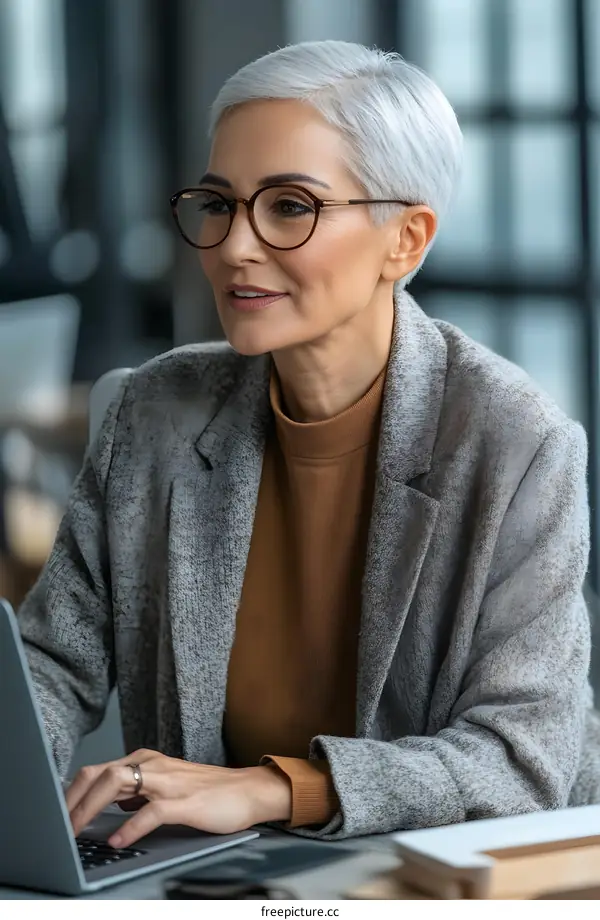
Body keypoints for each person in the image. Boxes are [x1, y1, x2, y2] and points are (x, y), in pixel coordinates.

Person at [17, 40, 600, 848]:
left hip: (435, 884)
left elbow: (519, 761)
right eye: (219, 203)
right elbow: (48, 669)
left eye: (289, 206)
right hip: (208, 883)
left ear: (407, 239)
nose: (233, 246)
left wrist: (270, 790)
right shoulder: (155, 411)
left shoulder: (515, 442)